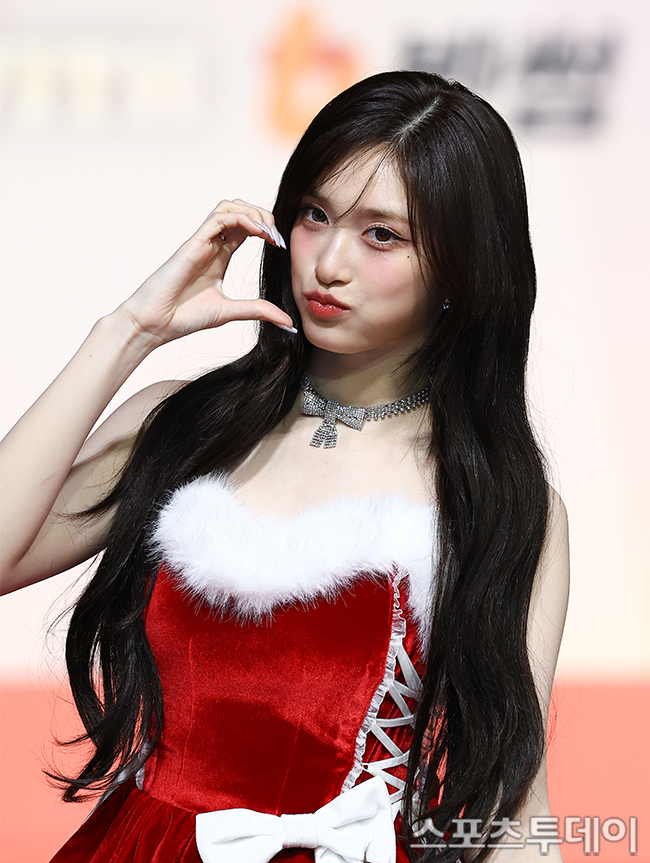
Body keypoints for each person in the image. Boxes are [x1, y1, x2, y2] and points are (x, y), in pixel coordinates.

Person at [0, 71, 569, 863]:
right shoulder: (183, 426)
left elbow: (514, 807)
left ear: (463, 269)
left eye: (382, 235)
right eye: (314, 214)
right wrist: (129, 330)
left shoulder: (495, 500)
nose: (327, 263)